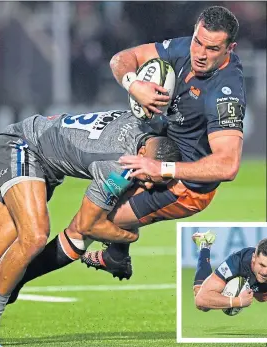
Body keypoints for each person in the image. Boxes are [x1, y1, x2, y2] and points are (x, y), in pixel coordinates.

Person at [0, 109, 181, 347]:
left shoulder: (152, 125)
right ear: (142, 152)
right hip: (22, 146)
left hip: (42, 155)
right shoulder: (117, 167)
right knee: (34, 237)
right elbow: (87, 225)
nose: (145, 183)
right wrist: (129, 235)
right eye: (148, 177)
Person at [80, 5, 246, 276]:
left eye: (212, 49)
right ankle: (116, 257)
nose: (200, 54)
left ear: (230, 48)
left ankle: (111, 255)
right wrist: (134, 85)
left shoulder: (225, 93)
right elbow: (122, 58)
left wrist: (162, 170)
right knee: (99, 201)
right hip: (161, 153)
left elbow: (228, 166)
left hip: (185, 187)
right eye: (198, 42)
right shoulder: (182, 49)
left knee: (98, 219)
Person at [192, 231, 267, 310]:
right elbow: (201, 300)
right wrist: (238, 301)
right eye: (262, 265)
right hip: (240, 273)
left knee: (262, 298)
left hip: (258, 284)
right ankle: (205, 245)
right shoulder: (236, 263)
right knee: (204, 305)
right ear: (254, 258)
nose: (265, 272)